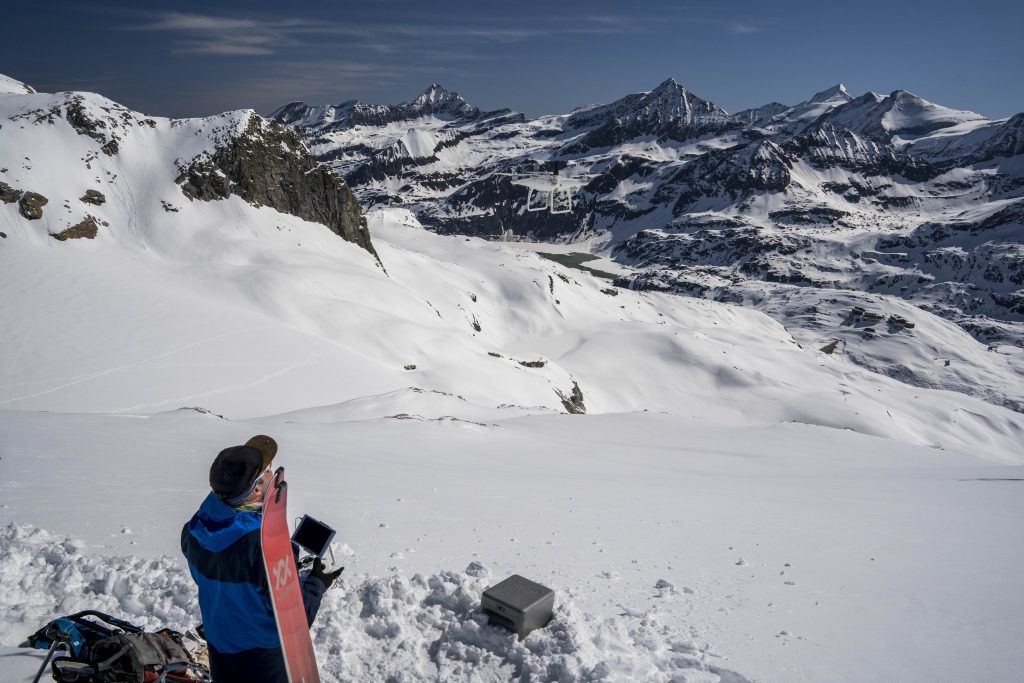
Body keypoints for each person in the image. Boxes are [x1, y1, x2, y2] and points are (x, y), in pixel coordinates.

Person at [181, 435, 343, 683]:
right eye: (268, 471)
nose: (273, 475)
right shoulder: (263, 548)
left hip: (219, 645)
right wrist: (318, 581)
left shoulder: (193, 530)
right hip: (261, 657)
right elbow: (296, 620)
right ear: (257, 489)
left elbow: (227, 574)